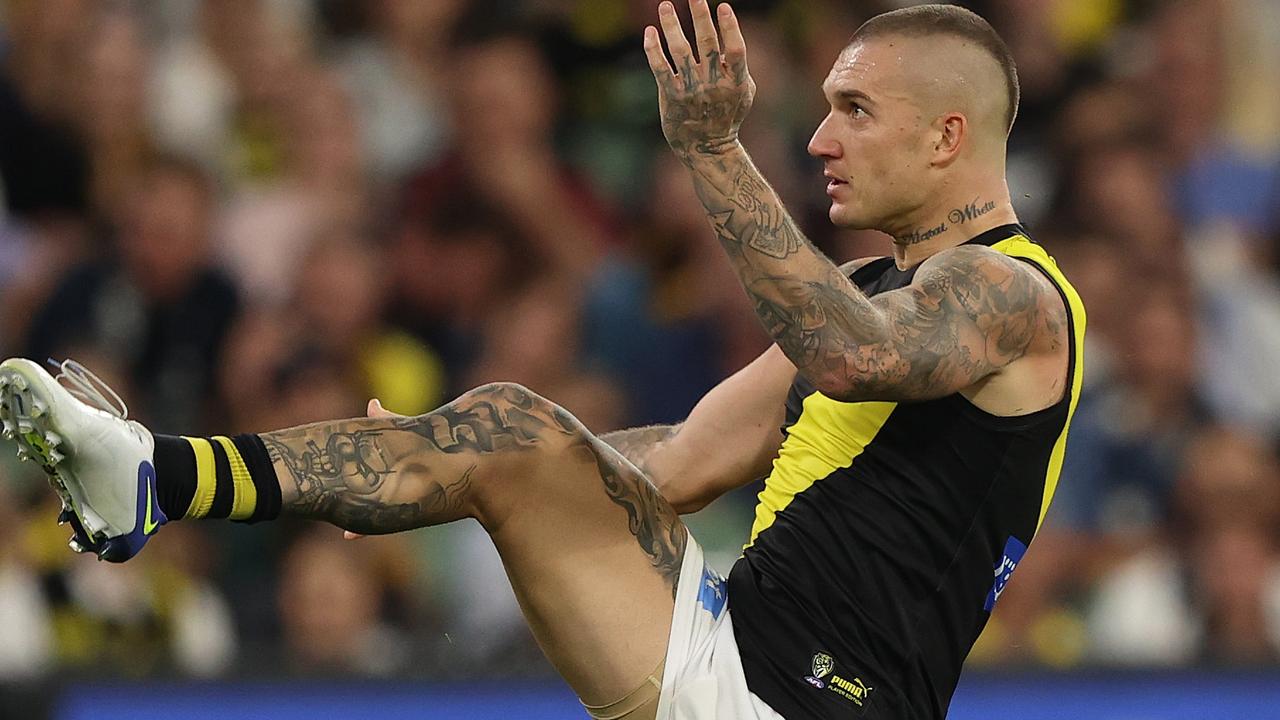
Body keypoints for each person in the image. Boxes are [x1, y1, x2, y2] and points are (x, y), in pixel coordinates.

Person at [0, 3, 1084, 719]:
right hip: (735, 657)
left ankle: (153, 477)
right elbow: (674, 461)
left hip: (810, 699)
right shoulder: (872, 291)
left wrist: (709, 150)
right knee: (506, 430)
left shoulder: (1014, 297)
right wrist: (431, 467)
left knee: (511, 431)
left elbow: (850, 360)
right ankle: (152, 480)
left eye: (854, 111)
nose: (818, 139)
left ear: (947, 137)